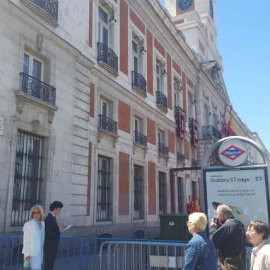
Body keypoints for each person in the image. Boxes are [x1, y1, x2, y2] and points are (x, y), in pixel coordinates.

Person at [210, 204, 246, 270]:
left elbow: (212, 242)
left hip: (228, 264)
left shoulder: (227, 227)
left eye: (217, 214)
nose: (216, 217)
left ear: (222, 215)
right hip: (239, 262)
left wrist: (213, 228)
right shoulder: (239, 224)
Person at [22, 205, 45, 270]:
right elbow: (26, 240)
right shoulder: (29, 224)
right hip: (31, 253)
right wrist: (27, 254)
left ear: (41, 213)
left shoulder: (43, 224)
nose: (36, 214)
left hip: (39, 253)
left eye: (38, 212)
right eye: (34, 212)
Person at [43, 201, 64, 270]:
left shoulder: (52, 217)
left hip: (51, 245)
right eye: (59, 210)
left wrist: (58, 229)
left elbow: (52, 230)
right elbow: (50, 233)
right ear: (54, 209)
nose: (59, 211)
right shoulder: (49, 218)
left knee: (50, 264)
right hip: (50, 246)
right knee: (48, 264)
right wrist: (59, 230)